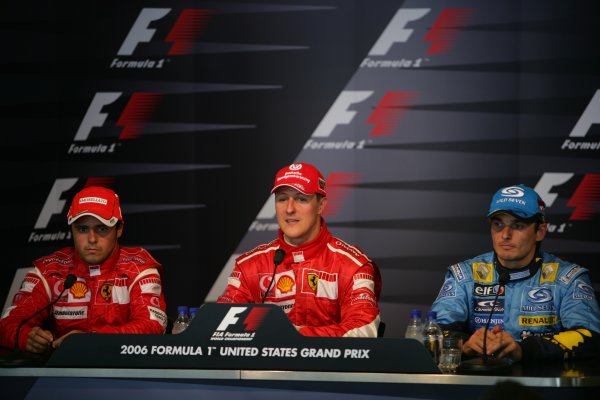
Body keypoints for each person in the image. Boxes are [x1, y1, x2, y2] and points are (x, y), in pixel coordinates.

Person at [432, 184, 600, 362]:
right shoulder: (464, 275)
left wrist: (524, 350)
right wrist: (464, 344)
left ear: (540, 231)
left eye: (518, 225)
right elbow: (433, 331)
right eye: (498, 224)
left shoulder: (568, 279)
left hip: (543, 387)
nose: (505, 234)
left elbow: (591, 337)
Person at [217, 162, 381, 337]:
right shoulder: (249, 266)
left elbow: (365, 329)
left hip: (327, 364)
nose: (289, 209)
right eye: (282, 199)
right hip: (264, 364)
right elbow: (219, 324)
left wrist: (297, 340)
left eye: (301, 198)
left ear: (321, 205)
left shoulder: (352, 265)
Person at [0, 186, 167, 353]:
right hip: (62, 375)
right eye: (82, 229)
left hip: (123, 373)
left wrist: (89, 341)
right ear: (71, 229)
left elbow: (153, 325)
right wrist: (24, 337)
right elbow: (8, 323)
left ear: (119, 229)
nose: (92, 239)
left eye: (102, 228)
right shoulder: (49, 270)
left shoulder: (138, 269)